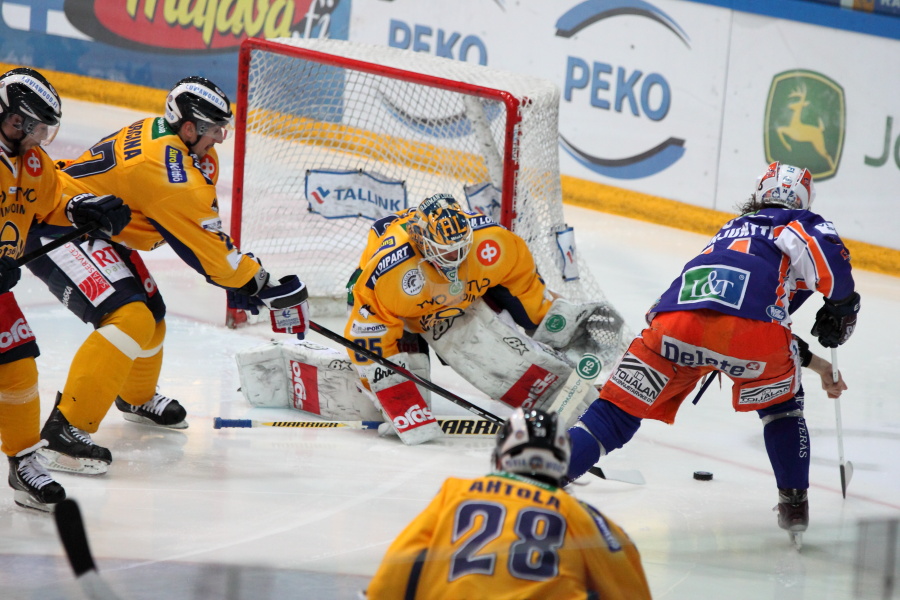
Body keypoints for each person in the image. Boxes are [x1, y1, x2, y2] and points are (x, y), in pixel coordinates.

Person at [25, 76, 309, 476]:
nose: (221, 138)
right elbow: (204, 248)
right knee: (129, 317)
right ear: (189, 127)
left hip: (97, 222)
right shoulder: (170, 170)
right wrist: (257, 283)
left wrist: (238, 278)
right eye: (214, 130)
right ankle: (64, 430)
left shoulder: (172, 140)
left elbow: (193, 237)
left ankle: (135, 397)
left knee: (152, 313)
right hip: (58, 228)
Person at [565, 162, 859, 540]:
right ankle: (794, 505)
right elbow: (820, 271)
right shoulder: (796, 222)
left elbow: (723, 314)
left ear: (758, 193)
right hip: (751, 337)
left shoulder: (726, 232)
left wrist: (819, 366)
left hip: (673, 325)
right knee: (782, 407)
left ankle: (545, 478)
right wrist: (843, 305)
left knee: (615, 413)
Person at [342, 192, 624, 445]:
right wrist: (385, 381)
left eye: (459, 247)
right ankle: (394, 372)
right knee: (410, 413)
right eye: (445, 250)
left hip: (460, 299)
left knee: (504, 354)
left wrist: (550, 320)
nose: (454, 256)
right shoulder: (390, 271)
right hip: (403, 314)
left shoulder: (493, 241)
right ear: (421, 242)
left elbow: (522, 283)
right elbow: (369, 331)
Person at [0, 67, 131, 509]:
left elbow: (51, 200)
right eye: (34, 126)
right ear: (12, 120)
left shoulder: (31, 161)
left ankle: (22, 461)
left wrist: (84, 209)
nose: (40, 136)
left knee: (19, 365)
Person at [364, 407, 652, 599]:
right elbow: (631, 590)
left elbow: (400, 567)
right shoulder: (582, 517)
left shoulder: (455, 493)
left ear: (501, 456)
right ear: (564, 462)